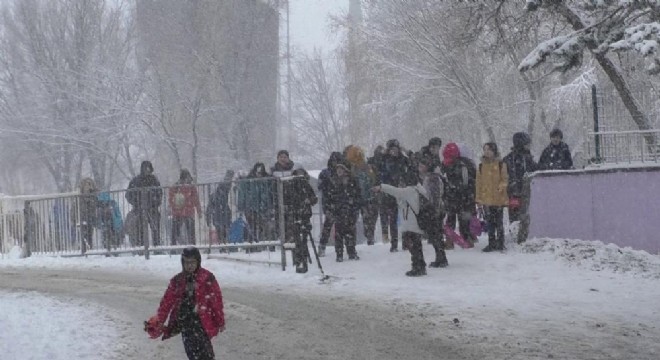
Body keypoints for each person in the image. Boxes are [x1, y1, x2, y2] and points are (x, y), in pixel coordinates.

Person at [145, 246, 225, 360]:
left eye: (193, 262)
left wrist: (220, 320)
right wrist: (159, 321)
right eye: (187, 262)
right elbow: (166, 303)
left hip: (202, 322)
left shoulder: (207, 277)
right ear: (183, 263)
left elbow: (216, 301)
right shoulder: (177, 281)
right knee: (193, 354)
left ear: (198, 261)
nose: (190, 265)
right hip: (185, 323)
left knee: (206, 354)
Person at [373, 172, 432, 276]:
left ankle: (417, 268)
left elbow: (395, 191)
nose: (400, 184)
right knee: (417, 247)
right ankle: (421, 266)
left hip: (412, 225)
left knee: (414, 247)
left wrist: (381, 187)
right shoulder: (419, 189)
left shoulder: (408, 191)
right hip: (418, 223)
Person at [440, 142, 477, 249]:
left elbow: (466, 182)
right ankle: (462, 240)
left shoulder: (461, 165)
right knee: (459, 220)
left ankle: (455, 240)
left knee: (456, 220)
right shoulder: (463, 165)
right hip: (459, 197)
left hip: (458, 197)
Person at [378, 139, 411, 251]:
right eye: (392, 149)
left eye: (396, 149)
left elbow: (413, 163)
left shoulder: (403, 159)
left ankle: (406, 242)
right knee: (393, 219)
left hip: (402, 191)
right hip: (390, 192)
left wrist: (407, 152)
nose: (394, 151)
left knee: (405, 217)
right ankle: (394, 244)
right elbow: (381, 175)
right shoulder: (384, 160)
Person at [476, 143, 509, 252]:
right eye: (485, 149)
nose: (487, 152)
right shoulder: (481, 166)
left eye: (489, 149)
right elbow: (478, 183)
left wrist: (500, 188)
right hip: (486, 199)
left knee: (499, 222)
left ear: (494, 151)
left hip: (498, 199)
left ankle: (500, 243)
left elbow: (505, 179)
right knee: (489, 222)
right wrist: (479, 198)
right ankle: (491, 243)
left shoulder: (500, 164)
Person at [417, 157, 449, 267]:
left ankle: (441, 258)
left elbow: (435, 197)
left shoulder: (432, 178)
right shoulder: (429, 178)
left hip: (434, 211)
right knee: (435, 235)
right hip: (433, 210)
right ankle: (440, 257)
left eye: (422, 166)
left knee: (436, 235)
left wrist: (433, 211)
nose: (419, 168)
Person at [345, 145, 379, 245]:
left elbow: (373, 180)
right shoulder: (353, 169)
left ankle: (369, 235)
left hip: (367, 197)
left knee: (369, 219)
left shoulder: (366, 168)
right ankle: (368, 235)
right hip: (361, 198)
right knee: (367, 219)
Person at [126, 160, 163, 248]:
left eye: (148, 168)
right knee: (140, 231)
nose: (147, 170)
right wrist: (136, 203)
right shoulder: (136, 181)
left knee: (155, 230)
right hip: (139, 209)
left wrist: (155, 203)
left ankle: (156, 248)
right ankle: (142, 249)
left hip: (152, 209)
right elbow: (128, 195)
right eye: (145, 168)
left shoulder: (154, 180)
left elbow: (160, 193)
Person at [503, 132, 537, 223]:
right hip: (515, 193)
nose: (529, 146)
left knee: (525, 217)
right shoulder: (510, 159)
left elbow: (536, 170)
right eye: (527, 144)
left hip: (525, 193)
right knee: (517, 219)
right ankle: (517, 234)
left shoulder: (528, 158)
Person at [289, 167, 318, 273]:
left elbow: (314, 198)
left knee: (304, 239)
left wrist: (309, 200)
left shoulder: (306, 185)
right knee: (297, 239)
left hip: (305, 215)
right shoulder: (290, 186)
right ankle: (298, 260)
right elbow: (288, 199)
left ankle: (303, 259)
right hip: (295, 215)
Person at [331, 162, 361, 262]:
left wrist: (355, 205)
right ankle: (339, 254)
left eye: (341, 169)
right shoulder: (334, 181)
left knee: (350, 232)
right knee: (339, 234)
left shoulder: (352, 181)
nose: (339, 171)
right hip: (338, 211)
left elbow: (357, 195)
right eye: (337, 169)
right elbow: (330, 196)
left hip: (350, 211)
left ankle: (351, 252)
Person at [317, 152, 344, 256]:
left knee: (338, 227)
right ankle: (323, 246)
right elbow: (321, 188)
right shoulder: (325, 173)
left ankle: (339, 247)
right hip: (329, 202)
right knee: (328, 225)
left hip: (339, 202)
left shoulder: (342, 172)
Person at [168, 169, 202, 246]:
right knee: (190, 233)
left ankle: (174, 248)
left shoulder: (175, 187)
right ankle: (192, 246)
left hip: (178, 212)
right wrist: (199, 211)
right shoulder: (191, 187)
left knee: (175, 233)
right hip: (187, 212)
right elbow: (196, 199)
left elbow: (171, 199)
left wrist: (172, 207)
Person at [206, 170, 235, 244]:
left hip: (219, 217)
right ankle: (223, 245)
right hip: (222, 216)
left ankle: (222, 245)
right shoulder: (222, 195)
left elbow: (209, 208)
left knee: (221, 232)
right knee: (223, 232)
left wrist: (208, 219)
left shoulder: (215, 196)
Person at [71, 177, 98, 253]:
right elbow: (74, 207)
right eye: (86, 185)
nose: (87, 186)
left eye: (89, 184)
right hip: (82, 218)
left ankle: (89, 250)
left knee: (90, 235)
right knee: (83, 236)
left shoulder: (93, 196)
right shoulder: (79, 197)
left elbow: (96, 206)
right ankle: (84, 250)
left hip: (90, 218)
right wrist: (73, 219)